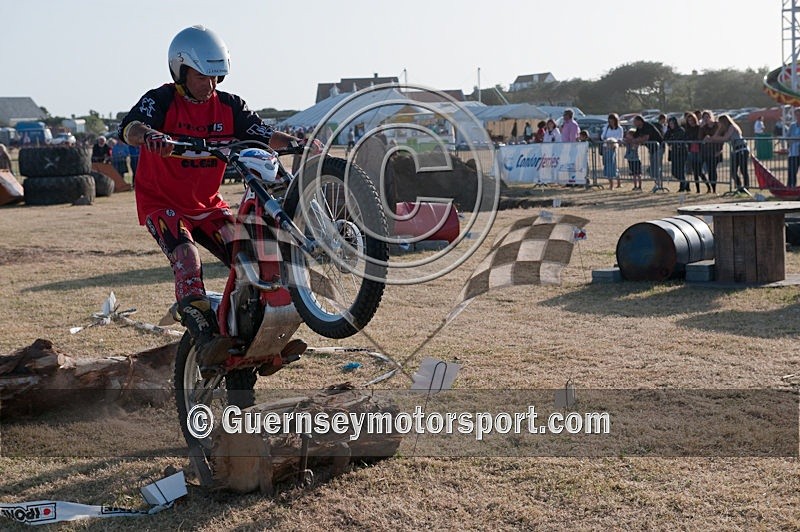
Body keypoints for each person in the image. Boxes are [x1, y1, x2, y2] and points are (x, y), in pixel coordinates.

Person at [118, 25, 318, 367]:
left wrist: (301, 144)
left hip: (208, 207)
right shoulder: (161, 99)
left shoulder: (230, 107)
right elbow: (130, 127)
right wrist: (150, 135)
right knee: (187, 259)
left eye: (216, 77)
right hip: (162, 203)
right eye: (201, 77)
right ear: (180, 71)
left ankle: (261, 339)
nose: (209, 85)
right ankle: (204, 336)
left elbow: (265, 134)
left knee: (256, 258)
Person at [706, 114, 750, 195]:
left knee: (743, 170)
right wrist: (718, 130)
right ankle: (739, 187)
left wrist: (711, 138)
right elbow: (716, 137)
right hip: (735, 151)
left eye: (720, 122)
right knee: (733, 171)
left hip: (742, 149)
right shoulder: (724, 129)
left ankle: (746, 188)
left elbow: (725, 138)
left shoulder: (731, 127)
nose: (719, 124)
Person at [630, 115, 664, 192]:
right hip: (652, 149)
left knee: (656, 167)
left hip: (659, 148)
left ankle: (659, 185)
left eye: (635, 122)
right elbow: (634, 136)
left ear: (639, 121)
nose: (634, 123)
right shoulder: (639, 128)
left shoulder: (647, 126)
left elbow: (646, 138)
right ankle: (657, 183)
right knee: (651, 170)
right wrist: (629, 139)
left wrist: (636, 141)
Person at [684, 112, 711, 193]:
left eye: (692, 120)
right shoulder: (688, 129)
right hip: (691, 151)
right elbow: (685, 138)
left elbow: (700, 137)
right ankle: (698, 190)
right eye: (689, 120)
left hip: (699, 151)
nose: (691, 122)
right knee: (695, 172)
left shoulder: (698, 128)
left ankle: (708, 187)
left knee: (699, 171)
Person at [698, 110, 721, 193]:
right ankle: (708, 186)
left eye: (707, 117)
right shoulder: (703, 127)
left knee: (712, 170)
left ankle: (714, 188)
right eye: (704, 117)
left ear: (711, 117)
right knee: (699, 169)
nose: (706, 119)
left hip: (715, 151)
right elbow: (700, 138)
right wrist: (701, 128)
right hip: (706, 151)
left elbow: (721, 137)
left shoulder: (717, 125)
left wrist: (719, 149)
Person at [600, 113, 624, 189]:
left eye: (612, 120)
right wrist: (606, 140)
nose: (611, 122)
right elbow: (602, 136)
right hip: (606, 148)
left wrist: (614, 141)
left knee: (613, 166)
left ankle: (616, 183)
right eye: (609, 120)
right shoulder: (606, 127)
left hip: (613, 148)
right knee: (607, 165)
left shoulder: (619, 128)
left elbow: (620, 138)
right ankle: (611, 183)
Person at [664, 116, 688, 191]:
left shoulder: (680, 130)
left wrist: (671, 141)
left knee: (680, 170)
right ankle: (685, 183)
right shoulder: (669, 131)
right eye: (669, 123)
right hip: (674, 153)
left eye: (672, 123)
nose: (671, 125)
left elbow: (675, 139)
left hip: (681, 153)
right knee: (674, 172)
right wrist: (669, 141)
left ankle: (682, 187)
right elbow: (665, 138)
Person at [787, 108, 800, 187]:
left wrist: (794, 138)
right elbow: (788, 137)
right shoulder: (792, 126)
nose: (798, 117)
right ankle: (791, 188)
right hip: (793, 153)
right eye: (797, 115)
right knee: (792, 172)